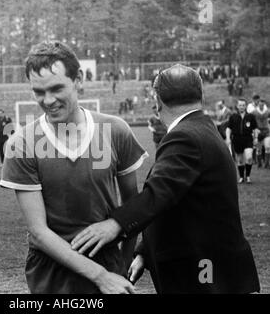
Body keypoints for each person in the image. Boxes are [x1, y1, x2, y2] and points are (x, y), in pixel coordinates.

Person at [71, 64, 260, 294]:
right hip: (215, 268)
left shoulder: (185, 136)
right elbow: (175, 202)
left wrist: (114, 224)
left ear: (157, 101)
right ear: (200, 96)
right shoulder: (202, 129)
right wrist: (144, 252)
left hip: (205, 274)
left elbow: (159, 192)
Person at [0, 40, 148, 294]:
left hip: (108, 259)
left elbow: (132, 208)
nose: (48, 100)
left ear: (78, 79)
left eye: (57, 88)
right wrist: (101, 277)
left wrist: (121, 264)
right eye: (38, 91)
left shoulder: (115, 130)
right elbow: (38, 233)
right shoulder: (21, 143)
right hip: (52, 270)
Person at [227, 98, 259, 183]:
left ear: (246, 106)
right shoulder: (233, 116)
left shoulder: (251, 116)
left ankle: (248, 176)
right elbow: (228, 129)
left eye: (243, 105)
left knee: (249, 157)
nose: (242, 107)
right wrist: (227, 138)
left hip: (248, 139)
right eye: (240, 105)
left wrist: (256, 138)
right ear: (237, 106)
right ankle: (241, 177)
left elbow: (255, 128)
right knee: (240, 160)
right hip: (237, 140)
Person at [253, 99, 270, 168]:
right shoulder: (254, 112)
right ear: (258, 104)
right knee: (258, 149)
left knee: (268, 147)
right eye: (260, 104)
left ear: (264, 104)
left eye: (262, 104)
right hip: (258, 131)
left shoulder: (268, 111)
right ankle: (259, 164)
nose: (261, 106)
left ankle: (266, 164)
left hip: (266, 131)